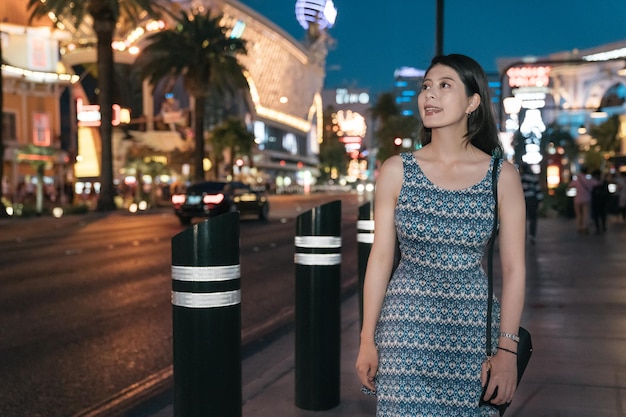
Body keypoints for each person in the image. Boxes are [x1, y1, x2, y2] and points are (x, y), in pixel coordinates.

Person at [355, 54, 526, 416]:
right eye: (426, 87)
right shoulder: (396, 170)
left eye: (445, 86)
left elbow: (514, 270)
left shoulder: (502, 176)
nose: (429, 95)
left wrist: (507, 351)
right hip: (404, 332)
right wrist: (367, 338)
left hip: (474, 334)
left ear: (473, 101)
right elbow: (381, 257)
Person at [519, 163, 543, 244]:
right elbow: (537, 189)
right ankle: (532, 235)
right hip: (532, 199)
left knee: (522, 219)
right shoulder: (533, 177)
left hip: (522, 199)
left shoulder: (519, 178)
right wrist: (540, 200)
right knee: (533, 218)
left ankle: (522, 236)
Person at [570, 166, 598, 234]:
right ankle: (585, 227)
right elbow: (597, 183)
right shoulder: (589, 179)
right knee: (586, 213)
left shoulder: (577, 179)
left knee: (578, 214)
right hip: (587, 198)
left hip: (577, 199)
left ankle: (579, 227)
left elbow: (570, 185)